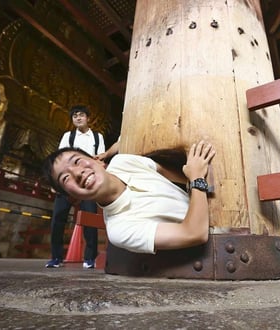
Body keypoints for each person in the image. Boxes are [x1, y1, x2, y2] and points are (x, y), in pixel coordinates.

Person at [43, 140, 215, 254]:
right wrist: (197, 179)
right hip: (210, 240)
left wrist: (193, 177)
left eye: (77, 161)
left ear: (98, 160)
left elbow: (177, 176)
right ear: (73, 198)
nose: (77, 172)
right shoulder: (119, 229)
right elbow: (194, 234)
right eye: (65, 178)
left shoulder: (123, 161)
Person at [45, 105, 106, 269]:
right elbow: (58, 159)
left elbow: (99, 160)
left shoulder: (97, 137)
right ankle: (56, 257)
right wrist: (55, 184)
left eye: (81, 115)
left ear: (87, 118)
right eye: (75, 116)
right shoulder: (68, 136)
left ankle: (90, 257)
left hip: (87, 181)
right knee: (58, 217)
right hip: (68, 181)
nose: (78, 118)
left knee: (89, 219)